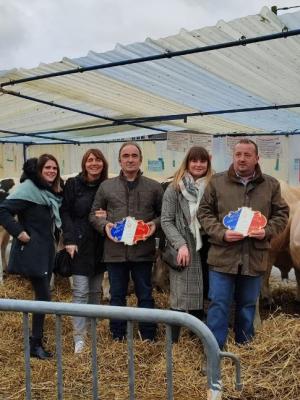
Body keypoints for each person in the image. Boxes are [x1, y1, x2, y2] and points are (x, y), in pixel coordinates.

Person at [198, 138, 289, 349]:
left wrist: (266, 232)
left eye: (247, 155)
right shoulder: (217, 182)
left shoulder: (271, 185)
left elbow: (282, 214)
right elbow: (204, 212)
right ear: (233, 156)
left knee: (247, 306)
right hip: (223, 257)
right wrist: (222, 233)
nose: (242, 159)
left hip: (254, 257)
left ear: (257, 158)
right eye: (238, 154)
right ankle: (214, 351)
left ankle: (244, 349)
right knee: (218, 304)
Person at [89, 141, 163, 341]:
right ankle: (118, 335)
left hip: (143, 251)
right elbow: (94, 215)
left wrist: (153, 225)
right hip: (115, 251)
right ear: (119, 160)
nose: (130, 160)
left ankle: (148, 335)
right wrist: (104, 226)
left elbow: (164, 216)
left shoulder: (154, 187)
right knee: (117, 295)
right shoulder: (107, 187)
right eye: (126, 156)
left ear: (140, 160)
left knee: (145, 294)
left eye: (134, 156)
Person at [0, 154, 63, 359]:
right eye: (47, 168)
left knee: (43, 295)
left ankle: (35, 341)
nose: (51, 171)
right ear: (38, 170)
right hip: (33, 251)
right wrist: (19, 232)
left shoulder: (47, 192)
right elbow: (2, 211)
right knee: (43, 296)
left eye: (54, 168)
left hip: (46, 250)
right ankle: (35, 344)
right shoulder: (28, 190)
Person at [161, 146, 212, 342]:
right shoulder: (175, 187)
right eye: (194, 161)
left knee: (204, 292)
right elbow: (166, 220)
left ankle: (197, 337)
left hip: (209, 246)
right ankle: (173, 340)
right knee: (180, 294)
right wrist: (180, 244)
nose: (198, 164)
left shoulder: (212, 187)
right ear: (187, 163)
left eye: (203, 161)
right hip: (185, 246)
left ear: (208, 163)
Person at [60, 149, 108, 354]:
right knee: (80, 291)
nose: (94, 163)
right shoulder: (73, 184)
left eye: (98, 160)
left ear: (103, 164)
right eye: (90, 160)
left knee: (96, 292)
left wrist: (107, 215)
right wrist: (69, 240)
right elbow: (65, 212)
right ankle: (79, 338)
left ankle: (93, 331)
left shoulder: (106, 186)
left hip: (100, 244)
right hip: (78, 244)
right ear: (84, 163)